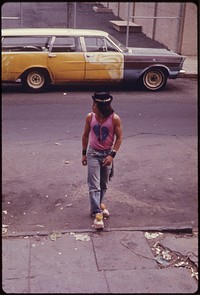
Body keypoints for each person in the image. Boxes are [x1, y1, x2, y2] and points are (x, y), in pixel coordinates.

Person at [81, 92, 122, 229]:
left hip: (107, 155)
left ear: (101, 107)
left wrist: (112, 155)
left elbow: (119, 138)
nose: (92, 106)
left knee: (104, 185)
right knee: (94, 185)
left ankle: (97, 205)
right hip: (93, 153)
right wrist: (84, 154)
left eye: (95, 104)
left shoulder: (114, 119)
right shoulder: (90, 117)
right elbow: (85, 135)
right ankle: (98, 214)